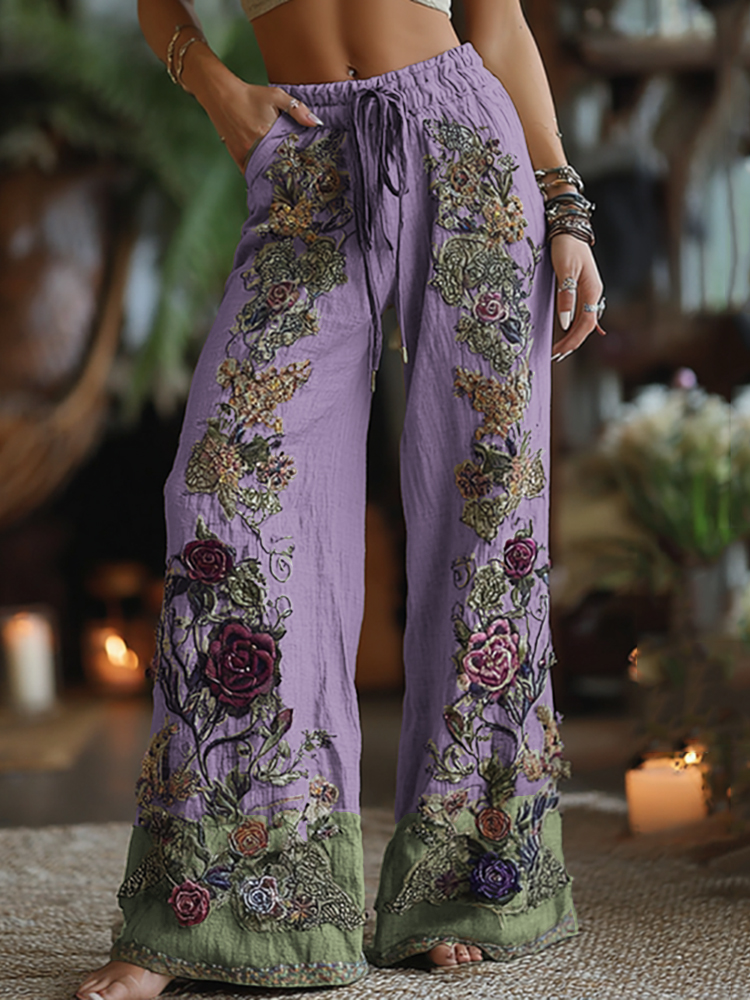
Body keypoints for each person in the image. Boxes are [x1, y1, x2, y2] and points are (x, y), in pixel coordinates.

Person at [77, 0, 604, 997]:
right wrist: (219, 91)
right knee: (222, 488)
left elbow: (496, 21)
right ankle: (220, 901)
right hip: (303, 157)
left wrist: (564, 207)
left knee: (490, 501)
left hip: (468, 147)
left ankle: (465, 881)